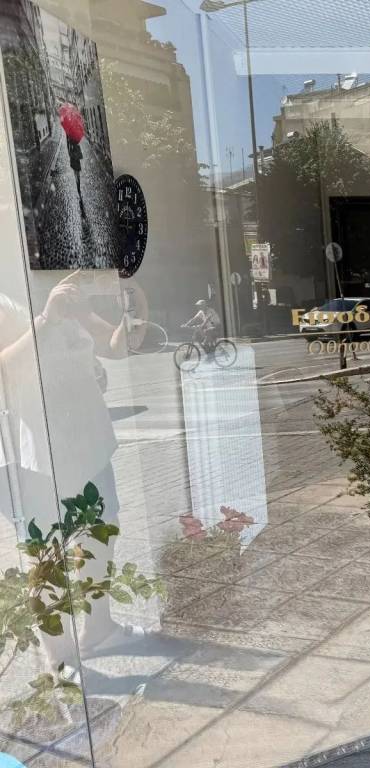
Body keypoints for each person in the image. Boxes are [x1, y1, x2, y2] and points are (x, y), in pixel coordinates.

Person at [0, 271, 138, 670]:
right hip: (38, 455)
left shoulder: (62, 291)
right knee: (47, 554)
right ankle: (59, 659)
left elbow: (116, 347)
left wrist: (133, 302)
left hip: (89, 444)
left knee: (101, 532)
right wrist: (46, 320)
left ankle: (99, 629)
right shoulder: (10, 303)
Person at [67, 135, 84, 216]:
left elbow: (79, 156)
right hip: (75, 163)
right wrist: (75, 155)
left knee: (77, 177)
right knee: (77, 177)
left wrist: (74, 155)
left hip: (75, 163)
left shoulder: (73, 146)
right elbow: (80, 156)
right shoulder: (74, 146)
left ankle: (78, 188)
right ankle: (78, 188)